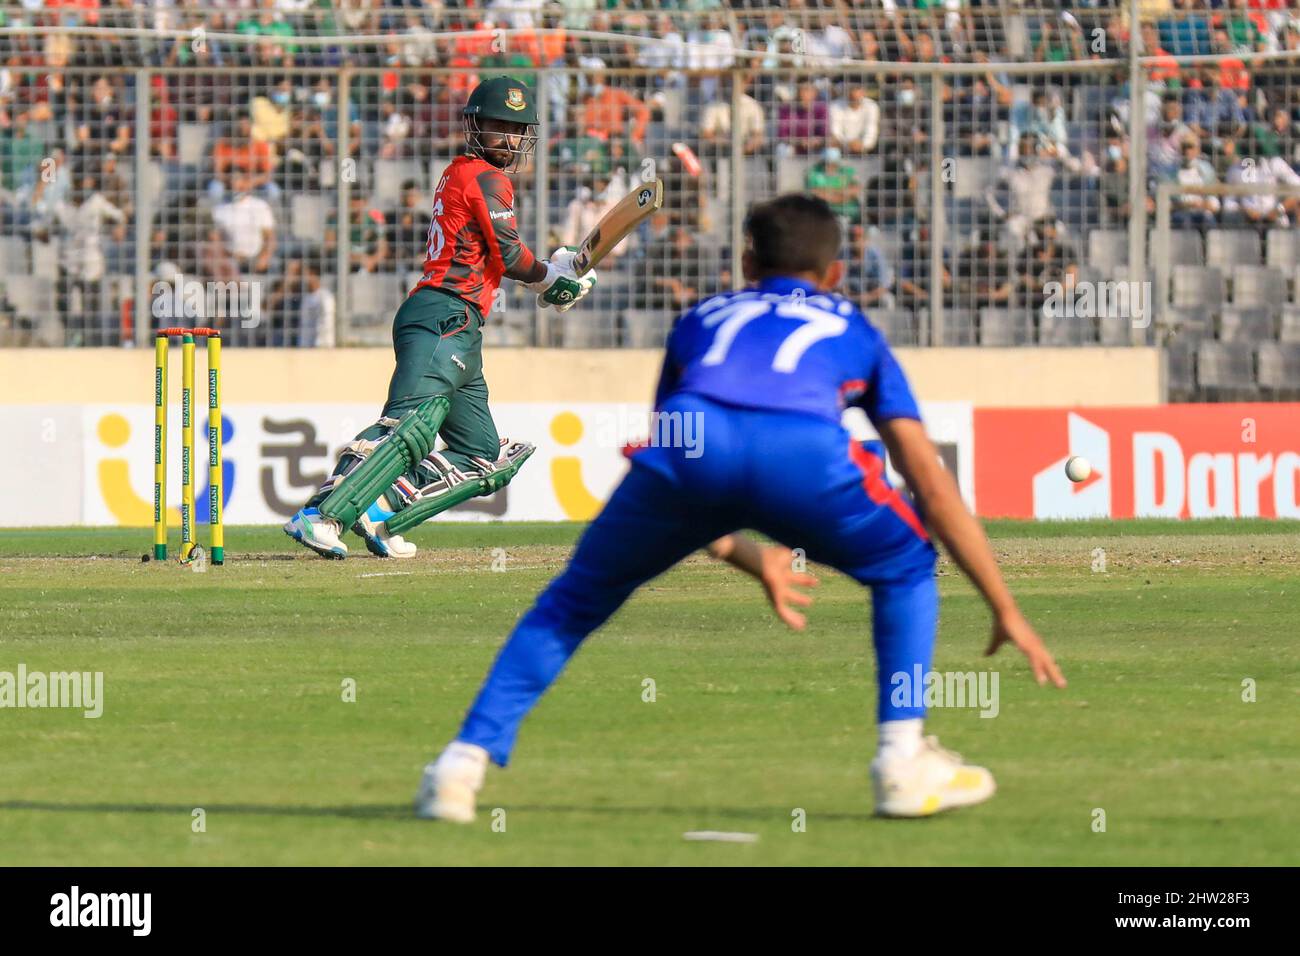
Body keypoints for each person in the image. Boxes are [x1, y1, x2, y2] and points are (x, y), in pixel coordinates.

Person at [415, 194, 1066, 824]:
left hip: (692, 442)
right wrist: (1004, 607)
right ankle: (901, 759)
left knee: (570, 604)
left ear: (748, 265)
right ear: (836, 274)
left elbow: (687, 471)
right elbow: (928, 477)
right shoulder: (853, 327)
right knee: (904, 568)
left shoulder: (701, 317)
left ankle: (459, 766)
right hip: (804, 455)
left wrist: (748, 555)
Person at [283, 77, 597, 559]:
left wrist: (553, 274)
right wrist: (553, 281)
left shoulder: (463, 173)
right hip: (443, 314)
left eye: (517, 130)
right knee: (409, 424)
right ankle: (322, 513)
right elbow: (511, 255)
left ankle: (381, 508)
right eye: (498, 127)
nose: (510, 140)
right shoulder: (486, 177)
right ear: (474, 127)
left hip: (463, 326)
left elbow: (500, 256)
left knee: (483, 455)